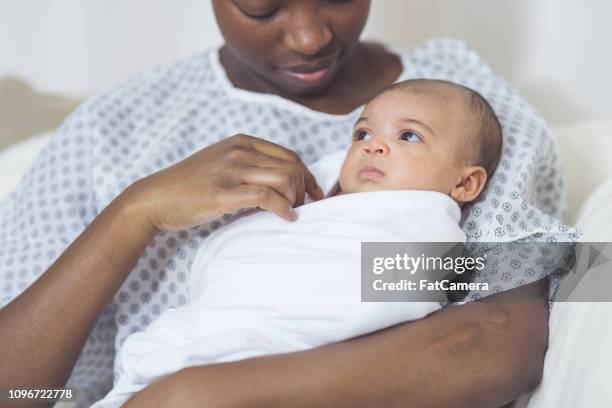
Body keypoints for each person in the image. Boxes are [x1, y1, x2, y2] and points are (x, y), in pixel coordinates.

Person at [0, 1, 577, 407]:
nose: (309, 37)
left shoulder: (472, 115)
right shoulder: (113, 130)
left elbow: (497, 339)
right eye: (263, 5)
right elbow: (19, 392)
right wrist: (136, 213)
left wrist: (198, 395)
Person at [93, 79, 503, 407]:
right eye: (362, 132)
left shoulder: (425, 221)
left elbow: (440, 279)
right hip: (189, 345)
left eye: (409, 136)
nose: (372, 145)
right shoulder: (321, 200)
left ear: (465, 183)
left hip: (269, 366)